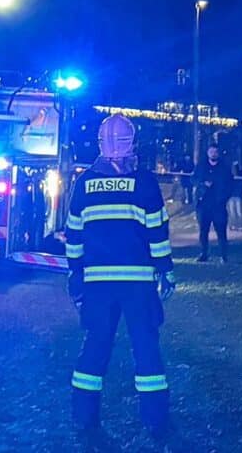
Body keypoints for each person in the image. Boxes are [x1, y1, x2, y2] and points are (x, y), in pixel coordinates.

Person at [66, 113, 176, 437]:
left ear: (101, 144)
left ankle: (84, 416)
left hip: (98, 285)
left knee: (95, 347)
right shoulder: (144, 182)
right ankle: (155, 418)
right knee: (146, 348)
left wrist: (76, 275)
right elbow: (157, 233)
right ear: (132, 144)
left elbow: (74, 235)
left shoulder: (84, 183)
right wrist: (166, 271)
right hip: (138, 285)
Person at [194, 144, 235, 261]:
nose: (213, 154)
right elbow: (194, 179)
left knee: (221, 231)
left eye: (215, 152)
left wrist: (224, 198)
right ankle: (204, 253)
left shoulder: (224, 168)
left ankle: (223, 255)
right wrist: (202, 184)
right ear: (207, 153)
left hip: (219, 206)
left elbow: (230, 184)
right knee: (203, 231)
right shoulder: (201, 166)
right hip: (203, 204)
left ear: (218, 153)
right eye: (211, 151)